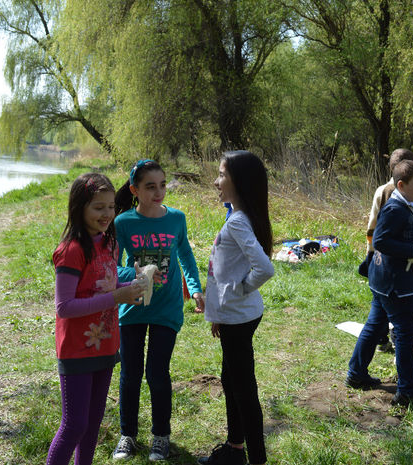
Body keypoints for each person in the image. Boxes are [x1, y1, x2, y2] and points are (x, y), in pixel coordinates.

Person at [47, 173, 146, 465]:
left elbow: (104, 285)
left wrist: (130, 286)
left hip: (105, 345)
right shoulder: (71, 251)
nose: (106, 214)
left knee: (92, 424)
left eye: (110, 207)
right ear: (80, 208)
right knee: (74, 425)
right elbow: (64, 306)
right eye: (98, 208)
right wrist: (117, 297)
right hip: (77, 348)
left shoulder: (110, 244)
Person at [112, 160, 205, 461]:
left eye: (162, 185)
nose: (159, 192)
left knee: (157, 373)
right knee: (130, 373)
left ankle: (161, 437)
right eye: (150, 186)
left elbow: (186, 256)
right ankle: (127, 435)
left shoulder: (176, 219)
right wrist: (134, 277)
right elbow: (111, 267)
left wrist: (195, 288)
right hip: (133, 305)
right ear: (134, 190)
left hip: (167, 307)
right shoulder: (123, 223)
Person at [198, 151, 275, 465]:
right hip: (236, 316)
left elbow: (265, 269)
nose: (216, 182)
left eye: (221, 175)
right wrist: (219, 313)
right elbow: (226, 268)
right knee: (230, 380)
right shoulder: (237, 215)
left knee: (244, 391)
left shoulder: (239, 222)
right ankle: (234, 449)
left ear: (238, 182)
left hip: (239, 317)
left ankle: (254, 459)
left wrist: (233, 296)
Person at [347, 160, 413, 407]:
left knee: (375, 325)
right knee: (407, 334)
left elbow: (403, 236)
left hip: (384, 280)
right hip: (396, 284)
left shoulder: (406, 204)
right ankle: (407, 391)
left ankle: (356, 374)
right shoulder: (395, 208)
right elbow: (382, 241)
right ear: (401, 185)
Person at [362, 148, 413, 353]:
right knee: (386, 307)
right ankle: (384, 338)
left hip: (397, 256)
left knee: (380, 310)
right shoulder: (386, 192)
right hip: (385, 258)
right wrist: (370, 252)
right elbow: (373, 226)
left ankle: (360, 366)